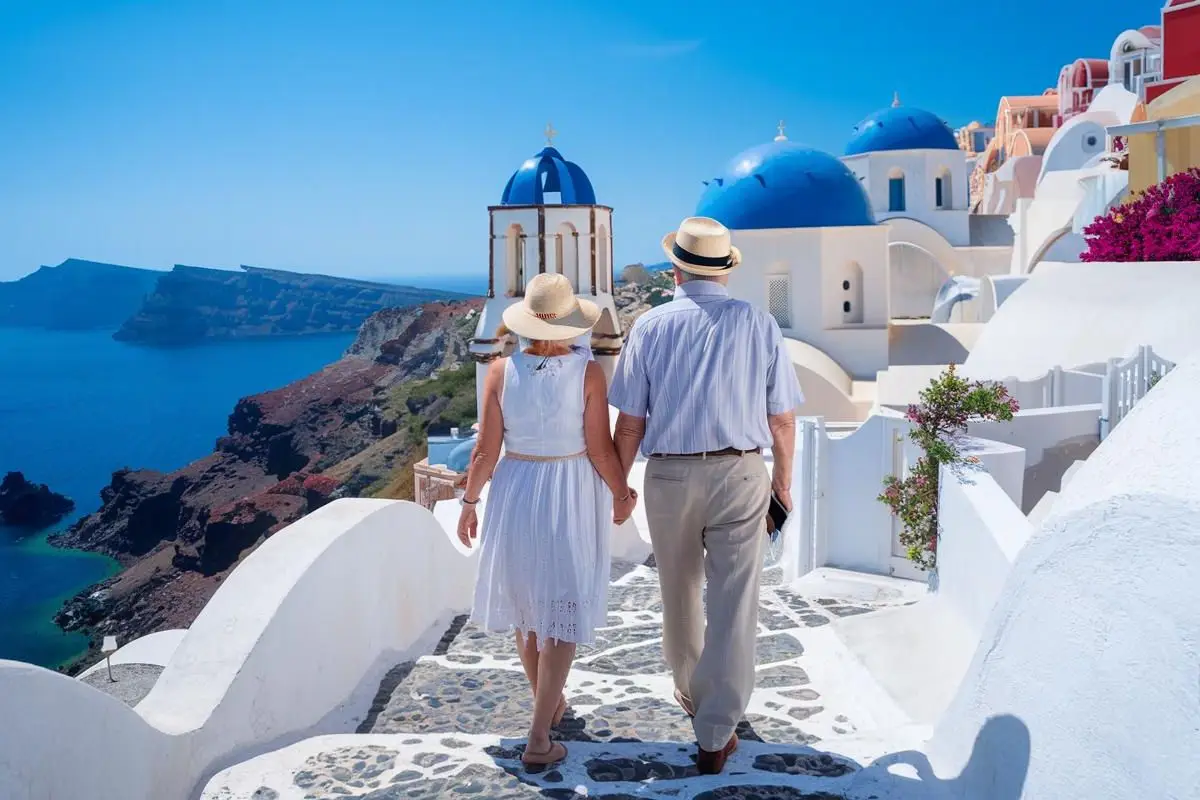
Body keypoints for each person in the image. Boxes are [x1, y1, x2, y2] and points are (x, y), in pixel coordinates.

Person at [608, 216, 804, 775]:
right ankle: (717, 730)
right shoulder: (759, 323)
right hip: (741, 473)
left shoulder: (648, 326)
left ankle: (693, 696)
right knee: (735, 598)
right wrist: (782, 482)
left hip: (668, 476)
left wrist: (622, 486)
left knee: (679, 589)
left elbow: (629, 425)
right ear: (724, 270)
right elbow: (783, 419)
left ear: (675, 270)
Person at [456, 272, 638, 767]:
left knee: (528, 607)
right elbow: (600, 448)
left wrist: (469, 504)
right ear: (571, 324)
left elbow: (485, 451)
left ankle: (550, 704)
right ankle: (539, 736)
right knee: (562, 606)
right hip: (571, 488)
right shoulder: (588, 373)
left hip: (516, 488)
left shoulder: (499, 370)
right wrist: (622, 492)